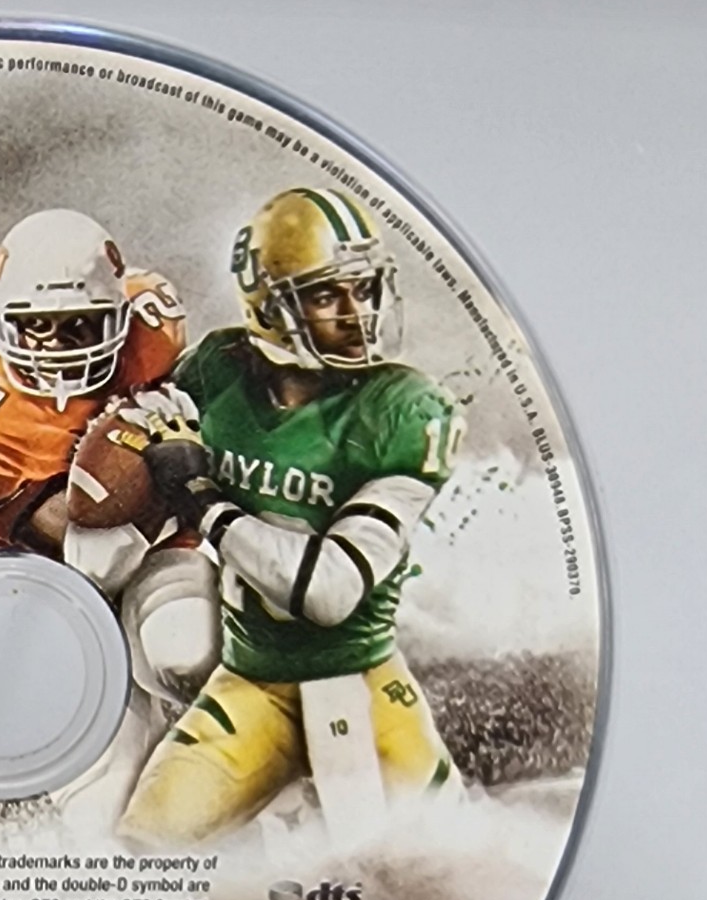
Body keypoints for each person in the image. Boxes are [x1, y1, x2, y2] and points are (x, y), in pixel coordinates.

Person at [119, 187, 462, 846]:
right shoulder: (217, 373)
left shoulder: (403, 409)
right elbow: (143, 441)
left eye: (365, 290)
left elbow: (328, 593)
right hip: (252, 683)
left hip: (359, 683)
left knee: (441, 871)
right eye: (327, 294)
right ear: (270, 305)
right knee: (142, 847)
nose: (357, 314)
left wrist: (205, 502)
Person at [0, 209, 218, 819]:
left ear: (119, 314)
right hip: (49, 581)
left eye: (79, 324)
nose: (55, 345)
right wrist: (141, 472)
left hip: (163, 551)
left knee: (188, 650)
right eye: (35, 327)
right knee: (97, 807)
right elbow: (75, 546)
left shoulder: (151, 328)